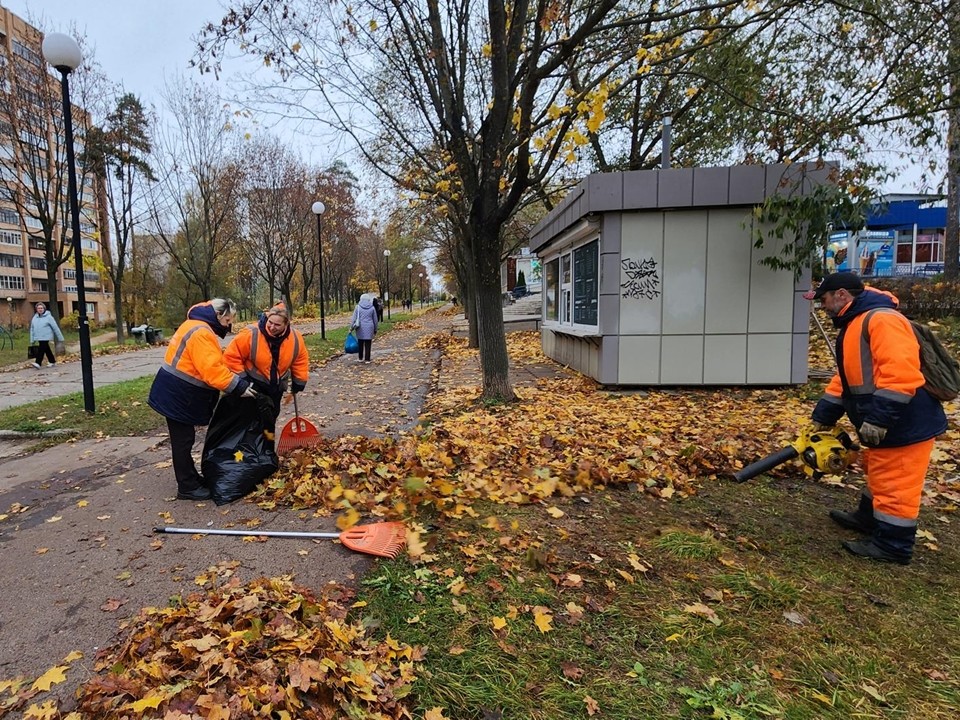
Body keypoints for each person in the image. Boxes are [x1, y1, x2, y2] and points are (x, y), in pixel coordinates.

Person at [805, 273, 947, 565]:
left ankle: (893, 545)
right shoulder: (856, 323)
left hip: (905, 422)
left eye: (824, 300)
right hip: (888, 420)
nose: (823, 306)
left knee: (896, 483)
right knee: (879, 472)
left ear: (842, 294)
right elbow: (847, 378)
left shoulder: (881, 321)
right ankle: (868, 519)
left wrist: (879, 420)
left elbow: (900, 375)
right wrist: (824, 415)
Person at [148, 298, 254, 501]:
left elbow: (212, 362)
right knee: (183, 441)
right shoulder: (202, 333)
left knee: (184, 439)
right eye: (227, 321)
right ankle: (187, 486)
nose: (228, 326)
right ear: (219, 315)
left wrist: (235, 377)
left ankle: (191, 479)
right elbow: (211, 371)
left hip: (174, 391)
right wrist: (238, 387)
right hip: (177, 394)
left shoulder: (196, 325)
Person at [224, 302, 310, 421]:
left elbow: (300, 360)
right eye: (270, 322)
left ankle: (268, 433)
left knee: (271, 415)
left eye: (277, 325)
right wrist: (243, 380)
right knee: (252, 418)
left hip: (276, 386)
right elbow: (231, 357)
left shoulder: (295, 337)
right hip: (253, 384)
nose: (272, 327)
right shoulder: (251, 333)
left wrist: (299, 381)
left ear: (286, 324)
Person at [29, 302, 65, 369]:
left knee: (41, 349)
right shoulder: (35, 317)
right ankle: (52, 361)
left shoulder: (49, 317)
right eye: (39, 308)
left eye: (41, 308)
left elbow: (55, 327)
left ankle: (38, 362)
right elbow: (32, 328)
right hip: (38, 336)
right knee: (46, 349)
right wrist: (32, 339)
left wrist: (60, 337)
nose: (40, 309)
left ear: (44, 309)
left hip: (46, 336)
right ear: (36, 309)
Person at [351, 293, 379, 364]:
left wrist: (351, 328)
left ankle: (360, 358)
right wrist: (375, 329)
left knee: (360, 342)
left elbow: (354, 319)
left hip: (360, 327)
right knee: (368, 343)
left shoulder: (357, 307)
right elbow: (375, 320)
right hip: (370, 327)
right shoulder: (372, 308)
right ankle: (367, 359)